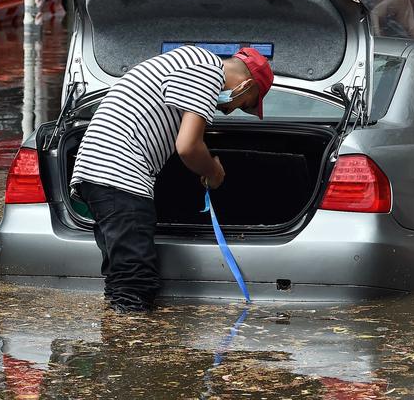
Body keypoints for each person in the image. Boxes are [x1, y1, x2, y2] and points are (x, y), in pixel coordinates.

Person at [69, 45, 274, 313]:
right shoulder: (208, 71)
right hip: (119, 175)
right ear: (246, 85)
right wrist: (213, 171)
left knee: (121, 276)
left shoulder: (188, 61)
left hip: (97, 171)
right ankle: (126, 350)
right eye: (245, 105)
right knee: (135, 282)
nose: (230, 110)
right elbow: (188, 146)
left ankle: (113, 345)